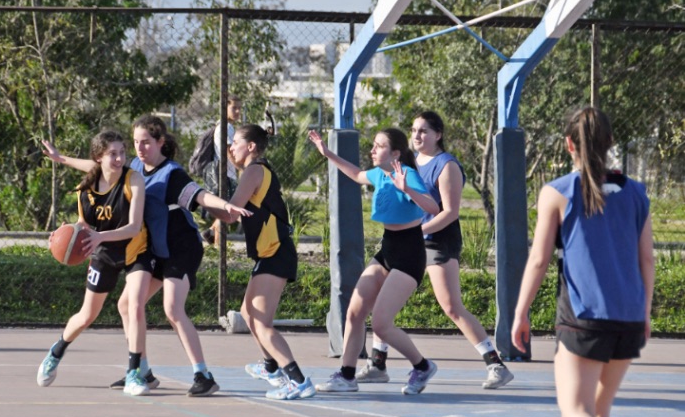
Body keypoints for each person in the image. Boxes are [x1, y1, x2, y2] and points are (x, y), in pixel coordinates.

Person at [42, 116, 251, 397]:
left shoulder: (172, 175)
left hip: (181, 247)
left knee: (172, 309)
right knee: (127, 305)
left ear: (160, 143)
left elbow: (200, 196)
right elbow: (97, 165)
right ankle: (142, 372)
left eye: (146, 142)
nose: (139, 148)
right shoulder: (135, 167)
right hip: (157, 248)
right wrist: (62, 159)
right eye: (136, 142)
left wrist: (226, 205)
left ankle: (203, 375)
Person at [511, 107, 654, 417]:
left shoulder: (558, 191)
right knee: (599, 414)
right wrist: (644, 312)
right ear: (610, 142)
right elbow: (647, 259)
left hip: (584, 316)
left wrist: (520, 313)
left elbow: (538, 260)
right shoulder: (636, 192)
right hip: (628, 316)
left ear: (569, 145)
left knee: (576, 412)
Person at [356, 111, 514, 389]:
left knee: (452, 306)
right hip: (407, 242)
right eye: (414, 130)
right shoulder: (406, 162)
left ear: (438, 135)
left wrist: (417, 232)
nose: (416, 135)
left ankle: (496, 364)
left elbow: (450, 212)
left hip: (437, 241)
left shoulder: (446, 165)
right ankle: (378, 364)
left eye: (424, 131)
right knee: (380, 299)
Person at [308, 127, 441, 396]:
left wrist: (407, 189)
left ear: (395, 153)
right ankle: (347, 376)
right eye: (373, 145)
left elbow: (433, 208)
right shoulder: (380, 173)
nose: (372, 150)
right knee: (355, 312)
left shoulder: (408, 175)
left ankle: (423, 366)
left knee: (380, 323)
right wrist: (327, 152)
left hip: (410, 253)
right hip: (388, 249)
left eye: (379, 146)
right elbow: (357, 175)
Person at [37, 130, 154, 396]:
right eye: (113, 153)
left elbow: (134, 226)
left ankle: (134, 373)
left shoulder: (133, 179)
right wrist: (62, 236)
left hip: (136, 250)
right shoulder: (86, 188)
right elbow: (83, 225)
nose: (120, 158)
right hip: (104, 254)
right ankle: (56, 352)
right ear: (99, 158)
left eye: (123, 152)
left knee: (135, 306)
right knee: (87, 315)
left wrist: (99, 236)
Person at [219, 124, 315, 400]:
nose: (231, 147)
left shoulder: (254, 170)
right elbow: (235, 207)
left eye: (235, 142)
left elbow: (231, 212)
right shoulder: (255, 170)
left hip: (276, 252)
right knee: (249, 315)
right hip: (270, 252)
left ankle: (298, 380)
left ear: (250, 147)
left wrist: (196, 199)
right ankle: (272, 368)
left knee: (261, 322)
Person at [202, 94, 242, 243]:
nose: (238, 111)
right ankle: (219, 250)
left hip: (226, 174)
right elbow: (229, 150)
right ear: (224, 108)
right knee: (227, 212)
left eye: (239, 108)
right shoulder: (227, 127)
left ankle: (210, 233)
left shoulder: (223, 125)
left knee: (227, 211)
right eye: (234, 108)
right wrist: (240, 167)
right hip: (225, 175)